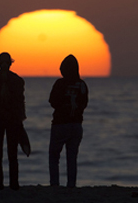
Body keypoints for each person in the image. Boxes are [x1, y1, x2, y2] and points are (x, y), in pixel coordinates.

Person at [0, 52, 26, 190]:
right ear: (11, 63)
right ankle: (14, 184)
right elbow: (20, 102)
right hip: (13, 120)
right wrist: (20, 119)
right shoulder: (18, 81)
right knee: (12, 154)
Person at [48, 54, 88, 188]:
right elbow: (84, 103)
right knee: (72, 158)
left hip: (60, 124)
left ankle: (54, 184)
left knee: (54, 156)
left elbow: (52, 101)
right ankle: (71, 185)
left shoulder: (60, 83)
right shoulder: (82, 84)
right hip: (76, 125)